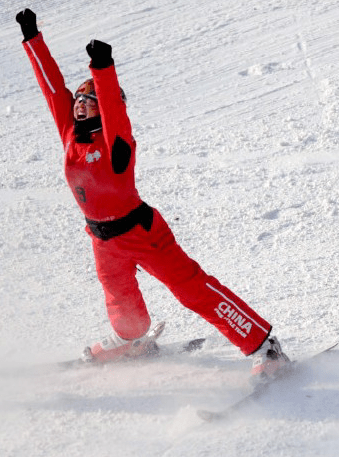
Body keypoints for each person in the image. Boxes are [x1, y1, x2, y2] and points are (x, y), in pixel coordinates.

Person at [16, 9, 290, 379]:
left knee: (192, 290)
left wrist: (103, 69)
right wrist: (32, 37)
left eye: (89, 100)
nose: (80, 104)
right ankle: (133, 343)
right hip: (102, 239)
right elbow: (52, 88)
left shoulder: (117, 143)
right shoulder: (71, 134)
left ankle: (264, 346)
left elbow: (113, 109)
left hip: (141, 233)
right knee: (123, 311)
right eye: (80, 99)